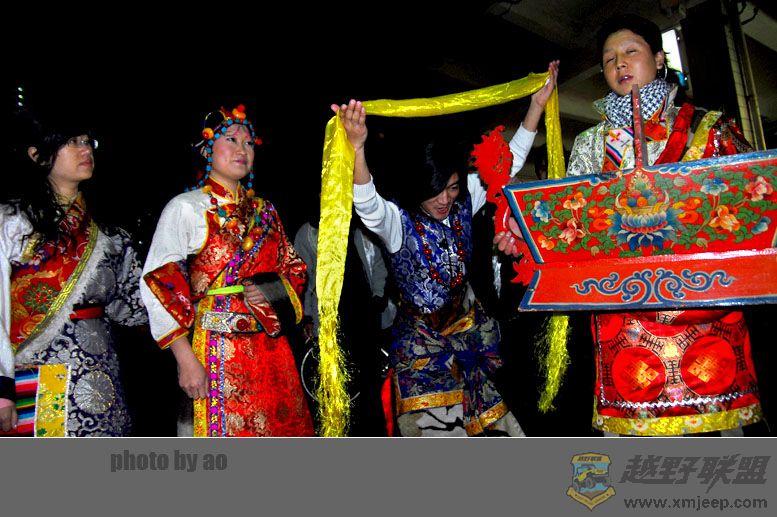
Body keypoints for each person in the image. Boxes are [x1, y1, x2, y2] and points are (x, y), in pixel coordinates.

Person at [332, 61, 559, 436]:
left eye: (452, 187)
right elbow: (367, 204)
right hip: (422, 349)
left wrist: (536, 106)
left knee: (498, 431)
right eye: (435, 190)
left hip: (471, 336)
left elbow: (508, 162)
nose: (444, 199)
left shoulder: (465, 201)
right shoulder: (397, 221)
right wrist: (357, 148)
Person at [565, 14, 762, 436]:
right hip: (625, 314)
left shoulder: (707, 128)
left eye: (630, 52)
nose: (619, 63)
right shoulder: (588, 144)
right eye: (609, 59)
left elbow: (751, 204)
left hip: (705, 303)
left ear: (658, 58)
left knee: (716, 433)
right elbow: (573, 223)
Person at [140, 104, 314, 437]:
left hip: (271, 350)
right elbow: (158, 284)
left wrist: (270, 290)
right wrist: (185, 360)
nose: (242, 149)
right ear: (206, 150)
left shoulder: (266, 212)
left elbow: (294, 270)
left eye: (248, 143)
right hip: (216, 351)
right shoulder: (185, 208)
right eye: (231, 140)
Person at [0, 109, 148, 436]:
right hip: (32, 372)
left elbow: (135, 307)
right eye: (72, 142)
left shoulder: (108, 232)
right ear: (37, 156)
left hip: (100, 373)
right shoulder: (10, 222)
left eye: (87, 141)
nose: (86, 149)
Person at [294, 215, 396, 435]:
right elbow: (302, 277)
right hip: (330, 321)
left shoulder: (360, 226)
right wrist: (307, 316)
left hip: (365, 315)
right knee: (337, 387)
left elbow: (378, 263)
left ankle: (375, 434)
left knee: (371, 385)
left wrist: (378, 295)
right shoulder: (308, 233)